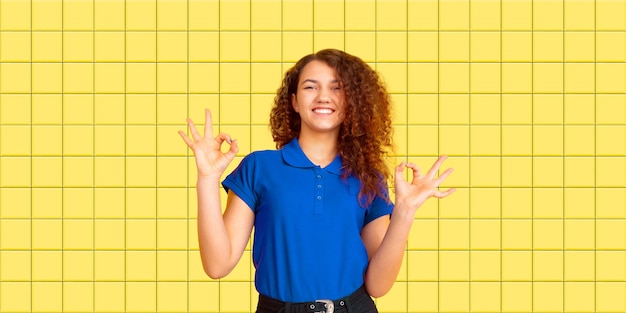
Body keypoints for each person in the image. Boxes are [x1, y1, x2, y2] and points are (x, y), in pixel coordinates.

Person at [179, 49, 455, 313]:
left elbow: (378, 285)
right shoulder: (258, 167)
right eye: (311, 87)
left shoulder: (367, 177)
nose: (324, 96)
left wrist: (405, 213)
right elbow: (217, 265)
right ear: (294, 101)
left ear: (352, 101)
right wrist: (207, 178)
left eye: (336, 88)